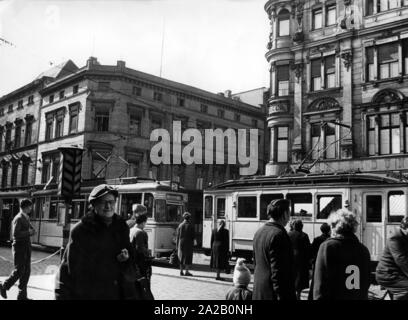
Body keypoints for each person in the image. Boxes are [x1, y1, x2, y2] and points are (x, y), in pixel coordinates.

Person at [54, 184, 135, 300]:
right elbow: (76, 271)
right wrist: (112, 261)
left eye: (111, 202)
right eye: (103, 202)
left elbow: (131, 257)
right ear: (94, 205)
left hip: (117, 292)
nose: (108, 206)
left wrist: (126, 258)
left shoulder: (121, 227)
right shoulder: (81, 230)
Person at [313, 209, 371, 300]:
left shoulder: (327, 247)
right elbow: (367, 282)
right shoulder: (364, 250)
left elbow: (320, 284)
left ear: (334, 226)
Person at [252, 199, 296, 300]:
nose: (289, 218)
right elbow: (278, 272)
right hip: (273, 294)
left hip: (259, 291)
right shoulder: (279, 235)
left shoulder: (259, 232)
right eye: (289, 213)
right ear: (285, 214)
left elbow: (256, 263)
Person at [0, 198, 35, 300]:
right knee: (19, 270)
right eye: (30, 206)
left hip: (26, 246)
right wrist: (29, 232)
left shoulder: (26, 217)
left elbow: (29, 229)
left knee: (26, 271)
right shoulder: (18, 218)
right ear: (26, 207)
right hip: (19, 247)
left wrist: (32, 230)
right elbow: (16, 234)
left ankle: (22, 296)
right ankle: (4, 285)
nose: (31, 208)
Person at [376, 216, 408, 300]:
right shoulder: (395, 237)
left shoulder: (405, 236)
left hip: (398, 273)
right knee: (406, 289)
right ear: (405, 228)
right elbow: (401, 260)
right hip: (387, 273)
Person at [288, 219, 311, 300]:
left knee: (292, 277)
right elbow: (308, 249)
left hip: (290, 259)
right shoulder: (304, 235)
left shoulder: (288, 234)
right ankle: (298, 295)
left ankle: (293, 295)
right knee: (300, 279)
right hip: (302, 260)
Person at [129, 207, 152, 288]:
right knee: (143, 285)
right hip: (140, 263)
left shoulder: (131, 230)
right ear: (142, 223)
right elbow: (140, 249)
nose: (145, 225)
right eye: (145, 223)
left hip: (132, 262)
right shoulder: (140, 232)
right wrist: (148, 254)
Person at [307, 222, 331, 300]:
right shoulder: (331, 240)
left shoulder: (317, 239)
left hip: (317, 263)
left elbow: (312, 251)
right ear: (329, 230)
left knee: (315, 281)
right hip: (328, 264)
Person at [176, 212, 195, 276]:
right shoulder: (190, 225)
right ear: (189, 218)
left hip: (181, 243)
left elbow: (177, 236)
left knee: (181, 256)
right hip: (188, 243)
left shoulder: (180, 225)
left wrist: (177, 245)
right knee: (187, 257)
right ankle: (186, 271)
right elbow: (193, 236)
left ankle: (181, 271)